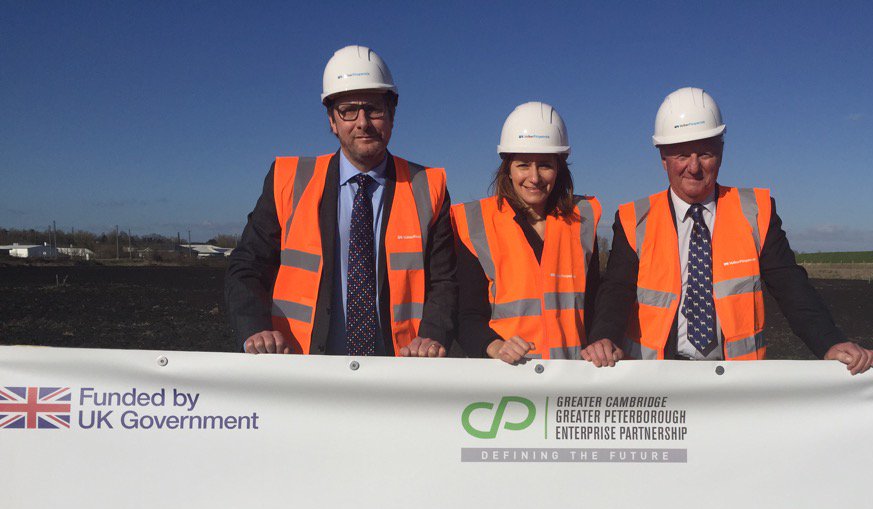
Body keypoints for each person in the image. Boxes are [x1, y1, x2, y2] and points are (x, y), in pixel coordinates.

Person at [583, 87, 873, 374]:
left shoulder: (755, 212)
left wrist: (829, 340)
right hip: (657, 378)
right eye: (682, 155)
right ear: (663, 158)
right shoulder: (635, 219)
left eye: (705, 153)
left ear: (721, 152)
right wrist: (603, 336)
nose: (694, 167)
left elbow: (790, 285)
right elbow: (616, 289)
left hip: (734, 383)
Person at [225, 45, 456, 357]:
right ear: (332, 120)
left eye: (374, 109)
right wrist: (254, 328)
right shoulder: (288, 180)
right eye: (348, 110)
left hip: (400, 367)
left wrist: (432, 336)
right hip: (303, 365)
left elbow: (444, 282)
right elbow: (246, 266)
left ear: (391, 114)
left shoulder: (427, 186)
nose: (363, 122)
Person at [451, 102, 601, 363]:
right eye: (523, 165)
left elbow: (596, 304)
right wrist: (494, 346)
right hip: (507, 377)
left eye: (545, 165)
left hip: (570, 375)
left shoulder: (583, 219)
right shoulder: (475, 224)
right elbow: (466, 315)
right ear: (508, 169)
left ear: (559, 168)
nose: (534, 177)